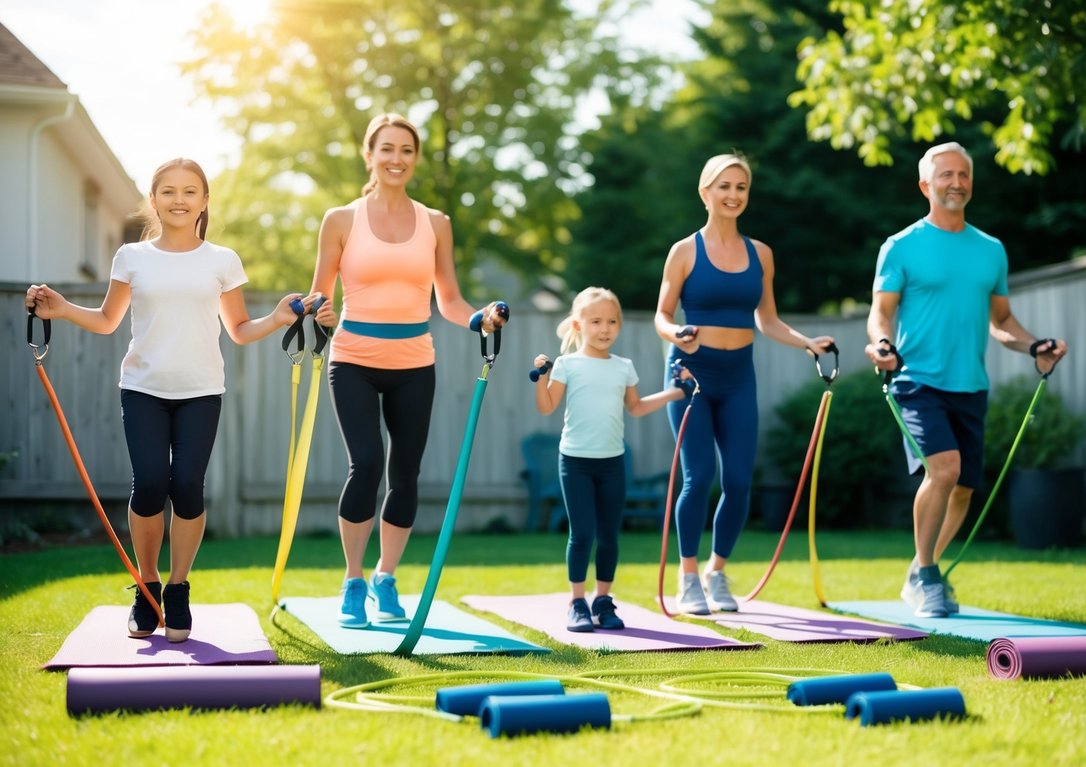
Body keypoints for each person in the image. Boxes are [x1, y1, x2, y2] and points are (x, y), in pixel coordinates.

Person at [25, 158, 314, 643]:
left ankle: (177, 588)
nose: (179, 200)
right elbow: (107, 320)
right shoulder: (131, 257)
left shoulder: (222, 260)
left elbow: (239, 331)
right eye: (168, 191)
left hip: (201, 392)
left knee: (188, 487)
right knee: (151, 483)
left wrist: (279, 319)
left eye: (190, 191)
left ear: (204, 200)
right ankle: (147, 585)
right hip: (143, 389)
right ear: (153, 199)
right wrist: (62, 308)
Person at [308, 113, 508, 629]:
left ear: (414, 158)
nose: (397, 158)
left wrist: (478, 318)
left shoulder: (436, 223)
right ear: (369, 155)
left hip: (415, 363)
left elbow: (451, 299)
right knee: (367, 464)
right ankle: (353, 580)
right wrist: (319, 311)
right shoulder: (341, 220)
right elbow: (320, 293)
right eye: (387, 149)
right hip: (353, 359)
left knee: (406, 474)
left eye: (406, 150)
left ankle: (386, 576)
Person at [865, 140, 1067, 618]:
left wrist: (1035, 345)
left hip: (970, 384)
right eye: (946, 175)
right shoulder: (901, 246)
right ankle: (930, 578)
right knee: (945, 469)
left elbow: (1001, 321)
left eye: (963, 175)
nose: (956, 183)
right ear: (924, 185)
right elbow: (880, 314)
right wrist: (881, 344)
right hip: (916, 380)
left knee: (962, 489)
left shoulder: (991, 250)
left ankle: (919, 569)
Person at [655, 153, 835, 615]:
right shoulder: (685, 251)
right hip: (693, 374)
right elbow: (662, 314)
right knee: (699, 478)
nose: (733, 195)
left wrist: (807, 342)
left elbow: (768, 320)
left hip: (739, 376)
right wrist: (675, 333)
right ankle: (688, 576)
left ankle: (717, 572)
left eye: (741, 187)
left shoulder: (762, 254)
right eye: (724, 187)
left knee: (738, 481)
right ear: (705, 193)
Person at [532, 287, 690, 631]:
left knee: (609, 536)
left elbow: (635, 407)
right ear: (579, 325)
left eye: (612, 321)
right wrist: (540, 378)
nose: (605, 329)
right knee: (582, 533)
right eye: (597, 321)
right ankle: (577, 602)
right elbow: (546, 407)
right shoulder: (567, 364)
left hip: (612, 464)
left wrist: (677, 392)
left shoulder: (624, 367)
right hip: (574, 462)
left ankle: (603, 601)